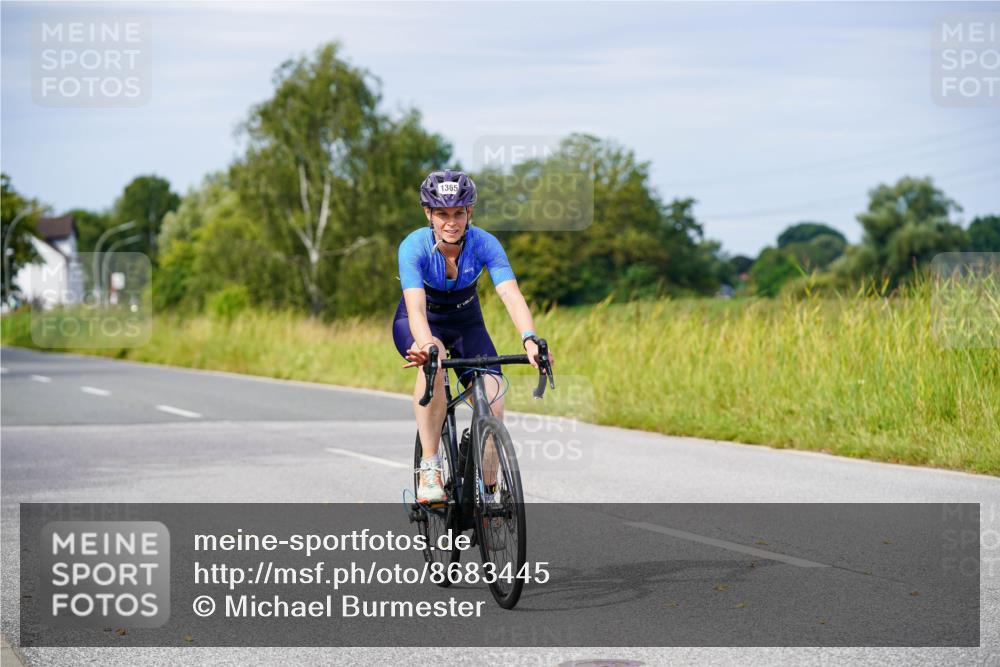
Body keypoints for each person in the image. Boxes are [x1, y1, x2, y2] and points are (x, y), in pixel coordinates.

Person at [392, 170, 554, 504]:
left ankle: (489, 492)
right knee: (433, 361)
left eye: (458, 213)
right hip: (421, 321)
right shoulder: (413, 246)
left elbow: (510, 294)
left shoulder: (485, 243)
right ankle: (430, 467)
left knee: (493, 400)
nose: (451, 222)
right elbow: (416, 309)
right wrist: (427, 346)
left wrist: (529, 339)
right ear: (428, 214)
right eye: (442, 214)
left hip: (467, 322)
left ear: (470, 212)